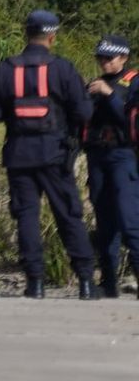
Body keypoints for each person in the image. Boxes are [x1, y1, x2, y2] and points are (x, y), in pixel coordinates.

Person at [0, 10, 97, 300]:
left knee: (26, 217)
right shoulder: (62, 69)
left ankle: (35, 283)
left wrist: (15, 112)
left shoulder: (7, 68)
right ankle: (85, 282)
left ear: (26, 34)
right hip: (56, 154)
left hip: (19, 154)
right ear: (52, 37)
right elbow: (84, 112)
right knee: (68, 215)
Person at [85, 35, 139, 298]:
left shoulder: (134, 83)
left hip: (124, 156)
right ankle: (108, 283)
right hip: (97, 157)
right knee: (105, 223)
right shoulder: (94, 85)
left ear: (124, 58)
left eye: (110, 58)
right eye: (101, 58)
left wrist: (110, 97)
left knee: (129, 220)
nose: (104, 63)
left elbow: (129, 119)